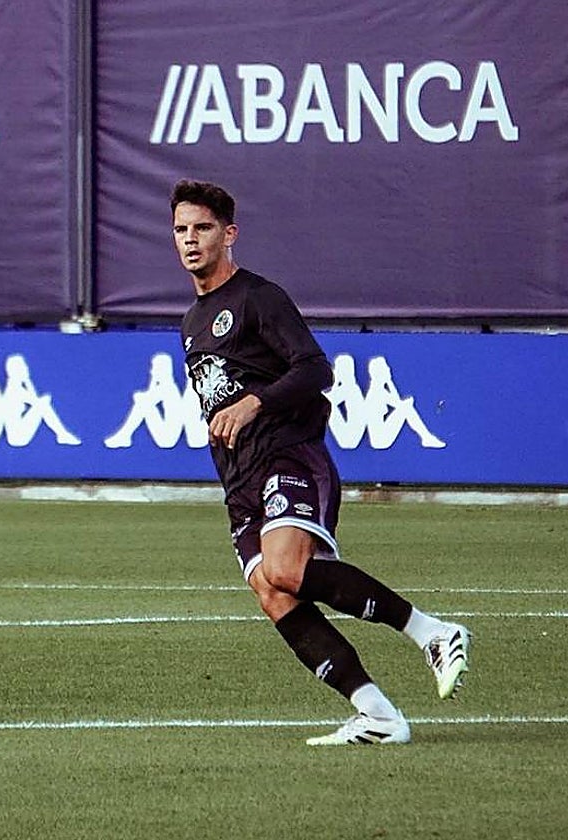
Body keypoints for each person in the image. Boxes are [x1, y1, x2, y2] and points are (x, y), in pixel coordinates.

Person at [171, 179, 470, 745]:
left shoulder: (260, 298)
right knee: (272, 590)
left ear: (229, 234)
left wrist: (255, 402)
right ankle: (377, 714)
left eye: (203, 228)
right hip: (241, 481)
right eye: (182, 229)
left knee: (285, 568)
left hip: (289, 454)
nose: (191, 239)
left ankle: (432, 631)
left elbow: (314, 369)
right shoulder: (191, 322)